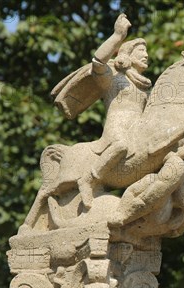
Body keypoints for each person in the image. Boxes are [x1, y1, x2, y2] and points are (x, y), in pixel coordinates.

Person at [51, 13, 152, 208]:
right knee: (122, 145)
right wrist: (117, 36)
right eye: (140, 51)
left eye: (146, 52)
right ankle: (88, 180)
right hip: (118, 129)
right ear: (127, 55)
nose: (146, 55)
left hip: (137, 129)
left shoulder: (144, 86)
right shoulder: (113, 76)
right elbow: (98, 63)